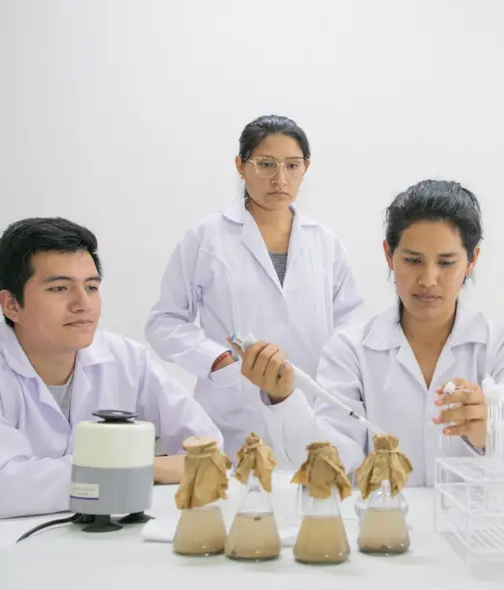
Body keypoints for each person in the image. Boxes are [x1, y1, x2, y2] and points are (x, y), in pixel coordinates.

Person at [235, 180, 504, 483]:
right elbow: (334, 459)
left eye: (446, 262)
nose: (429, 279)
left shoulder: (499, 345)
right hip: (385, 529)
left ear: (472, 261)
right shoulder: (351, 350)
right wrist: (283, 400)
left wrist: (489, 432)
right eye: (413, 260)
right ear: (389, 255)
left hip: (473, 530)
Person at [0, 218, 223, 519]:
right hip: (7, 549)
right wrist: (144, 469)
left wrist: (104, 475)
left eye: (91, 287)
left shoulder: (126, 359)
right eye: (60, 288)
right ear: (11, 305)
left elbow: (209, 454)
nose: (83, 304)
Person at [145, 115, 364, 457]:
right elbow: (164, 322)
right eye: (266, 164)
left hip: (311, 416)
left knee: (311, 499)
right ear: (240, 166)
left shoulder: (326, 244)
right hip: (234, 418)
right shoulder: (207, 238)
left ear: (306, 168)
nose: (280, 178)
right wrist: (218, 360)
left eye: (292, 165)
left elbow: (351, 330)